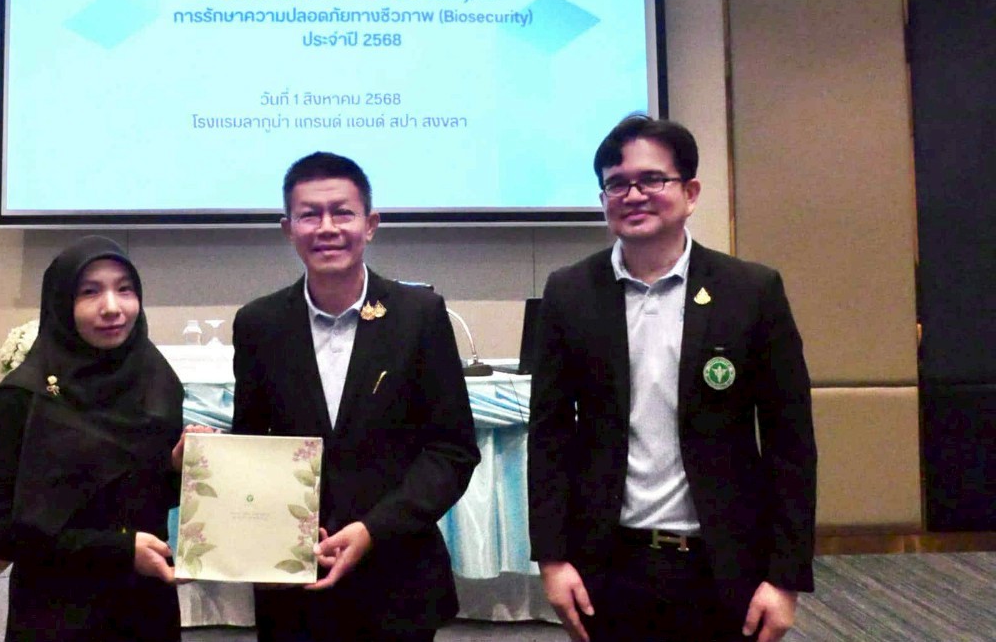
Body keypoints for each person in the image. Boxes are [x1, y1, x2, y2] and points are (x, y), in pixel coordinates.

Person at [528, 115, 818, 642]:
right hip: (608, 565)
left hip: (723, 564)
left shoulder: (750, 292)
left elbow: (790, 443)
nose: (633, 195)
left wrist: (786, 577)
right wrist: (552, 559)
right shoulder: (569, 293)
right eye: (617, 184)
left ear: (690, 193)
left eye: (652, 180)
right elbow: (550, 437)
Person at [231, 152, 481, 642]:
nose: (327, 227)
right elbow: (253, 444)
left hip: (396, 574)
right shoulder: (259, 324)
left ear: (370, 225)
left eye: (342, 212)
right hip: (294, 580)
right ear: (288, 229)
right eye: (309, 214)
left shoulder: (419, 315)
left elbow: (451, 451)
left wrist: (373, 530)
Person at [0, 236, 194, 641]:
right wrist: (119, 551)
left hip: (145, 607)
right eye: (89, 292)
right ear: (60, 303)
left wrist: (176, 468)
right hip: (58, 611)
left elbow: (146, 497)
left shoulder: (157, 382)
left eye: (125, 289)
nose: (112, 307)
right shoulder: (23, 397)